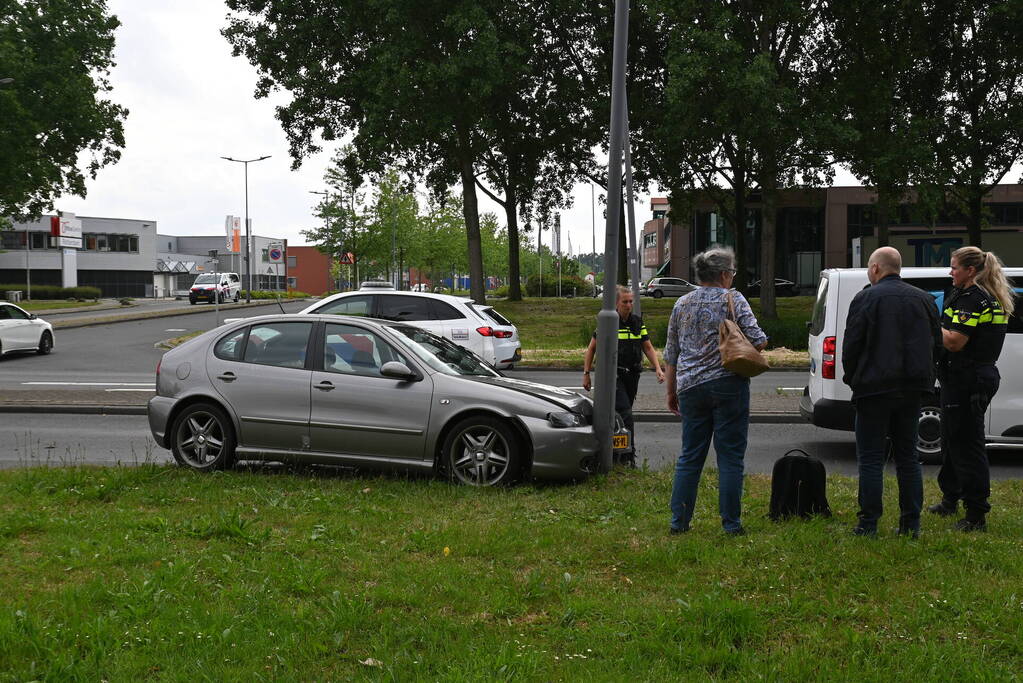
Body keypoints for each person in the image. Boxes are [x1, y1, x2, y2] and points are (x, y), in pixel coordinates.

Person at [664, 246, 767, 535]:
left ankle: (679, 523)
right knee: (731, 457)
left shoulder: (681, 304)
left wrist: (671, 392)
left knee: (690, 456)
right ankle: (731, 525)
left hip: (690, 387)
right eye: (732, 273)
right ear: (723, 274)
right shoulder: (734, 299)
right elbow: (758, 341)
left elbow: (672, 352)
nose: (732, 278)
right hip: (728, 384)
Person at [841, 247, 942, 537]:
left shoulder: (865, 298)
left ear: (875, 268)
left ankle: (868, 523)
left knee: (871, 458)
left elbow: (852, 346)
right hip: (912, 388)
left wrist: (854, 379)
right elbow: (936, 344)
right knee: (908, 457)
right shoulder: (924, 300)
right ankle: (911, 524)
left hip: (873, 388)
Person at [927, 247, 1014, 531]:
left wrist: (928, 321)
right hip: (967, 377)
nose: (950, 272)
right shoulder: (981, 295)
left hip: (968, 379)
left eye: (954, 267)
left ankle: (976, 514)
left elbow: (954, 341)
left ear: (970, 271)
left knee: (967, 445)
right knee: (953, 440)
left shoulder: (973, 299)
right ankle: (951, 497)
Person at [582, 285, 665, 464]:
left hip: (633, 375)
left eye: (631, 301)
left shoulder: (637, 322)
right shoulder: (609, 323)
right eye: (625, 302)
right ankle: (628, 456)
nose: (629, 305)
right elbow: (591, 349)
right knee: (626, 413)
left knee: (619, 415)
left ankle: (614, 454)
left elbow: (648, 347)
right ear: (617, 303)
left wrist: (658, 368)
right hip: (615, 376)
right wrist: (586, 373)